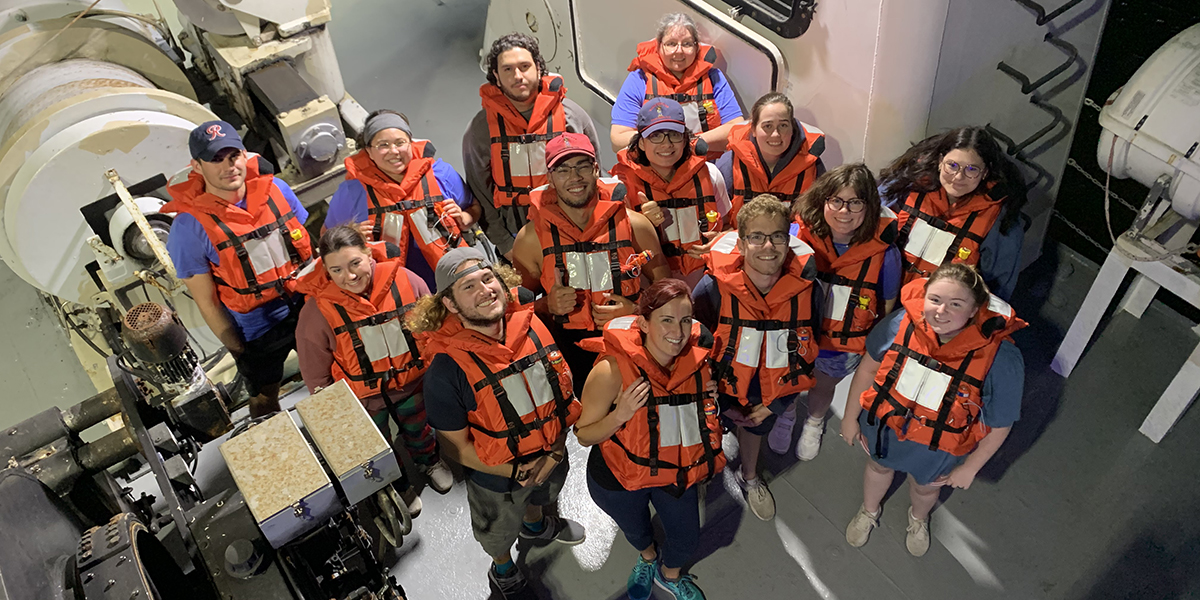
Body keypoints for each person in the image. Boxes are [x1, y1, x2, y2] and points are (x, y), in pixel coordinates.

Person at [412, 247, 585, 598]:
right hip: (498, 476)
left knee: (544, 493)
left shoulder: (533, 324)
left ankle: (535, 525)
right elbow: (455, 448)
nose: (485, 291)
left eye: (488, 279)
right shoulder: (445, 372)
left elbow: (559, 391)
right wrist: (516, 470)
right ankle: (503, 568)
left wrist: (553, 450)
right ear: (450, 304)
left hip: (552, 449)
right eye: (467, 287)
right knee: (498, 530)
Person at [841, 263, 1025, 557]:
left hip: (938, 449)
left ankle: (918, 519)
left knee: (925, 488)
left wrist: (970, 467)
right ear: (924, 296)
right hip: (885, 429)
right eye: (935, 300)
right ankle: (869, 510)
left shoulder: (1001, 359)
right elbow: (868, 368)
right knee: (877, 467)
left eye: (956, 304)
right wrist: (850, 418)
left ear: (975, 309)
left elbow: (1000, 423)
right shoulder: (900, 323)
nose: (941, 311)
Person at [575, 279, 725, 600]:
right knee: (638, 531)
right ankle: (647, 558)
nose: (678, 331)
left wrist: (708, 394)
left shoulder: (699, 362)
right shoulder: (611, 370)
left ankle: (669, 576)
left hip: (673, 471)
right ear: (643, 322)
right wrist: (620, 414)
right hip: (618, 476)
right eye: (666, 320)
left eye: (685, 320)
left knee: (686, 539)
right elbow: (584, 434)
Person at [163, 120, 313, 417]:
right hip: (258, 328)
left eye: (233, 156)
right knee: (263, 395)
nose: (228, 166)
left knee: (335, 368)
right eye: (216, 159)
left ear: (245, 156)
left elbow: (307, 246)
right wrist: (237, 349)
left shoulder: (278, 190)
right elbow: (206, 301)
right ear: (196, 166)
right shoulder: (189, 229)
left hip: (309, 302)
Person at [295, 225, 455, 499]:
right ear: (326, 270)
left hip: (412, 383)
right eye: (337, 270)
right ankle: (398, 483)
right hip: (363, 398)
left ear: (369, 253)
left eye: (355, 263)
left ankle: (428, 461)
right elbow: (314, 370)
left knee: (420, 428)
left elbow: (434, 327)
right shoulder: (316, 311)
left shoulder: (406, 280)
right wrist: (331, 410)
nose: (350, 275)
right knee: (378, 444)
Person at [692, 194, 819, 521]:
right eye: (757, 237)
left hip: (765, 393)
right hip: (714, 390)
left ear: (788, 241)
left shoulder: (809, 291)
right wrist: (714, 398)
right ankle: (701, 474)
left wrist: (773, 406)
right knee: (702, 435)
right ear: (741, 243)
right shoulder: (711, 289)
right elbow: (690, 352)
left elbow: (805, 353)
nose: (768, 246)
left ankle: (750, 477)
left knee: (754, 433)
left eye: (778, 236)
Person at [512, 132, 668, 395]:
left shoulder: (635, 225)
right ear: (549, 178)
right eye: (563, 169)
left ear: (596, 169)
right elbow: (518, 307)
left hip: (631, 339)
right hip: (568, 349)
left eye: (582, 166)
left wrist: (638, 308)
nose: (574, 177)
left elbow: (667, 289)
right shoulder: (530, 240)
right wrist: (547, 304)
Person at [767, 164, 901, 461]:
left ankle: (814, 422)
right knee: (789, 380)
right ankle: (786, 415)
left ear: (869, 206)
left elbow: (888, 305)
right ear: (823, 200)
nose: (845, 211)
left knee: (823, 387)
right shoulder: (797, 235)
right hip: (796, 335)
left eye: (855, 202)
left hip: (842, 344)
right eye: (836, 201)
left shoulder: (886, 253)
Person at [463, 32, 604, 260]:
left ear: (538, 68)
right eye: (508, 69)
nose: (517, 76)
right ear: (496, 76)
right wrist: (506, 244)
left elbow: (594, 176)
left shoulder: (571, 116)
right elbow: (481, 192)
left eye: (524, 66)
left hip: (574, 232)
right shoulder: (481, 130)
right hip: (515, 239)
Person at [325, 110, 482, 290]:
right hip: (395, 290)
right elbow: (328, 239)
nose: (394, 151)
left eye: (400, 143)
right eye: (383, 145)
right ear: (368, 151)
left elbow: (474, 207)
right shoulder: (352, 192)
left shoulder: (441, 174)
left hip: (453, 279)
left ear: (411, 143)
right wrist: (352, 234)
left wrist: (465, 218)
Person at [877, 126, 1027, 300]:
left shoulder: (1000, 222)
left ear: (985, 172)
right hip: (883, 296)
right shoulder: (904, 187)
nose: (958, 177)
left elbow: (997, 292)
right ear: (940, 161)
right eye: (952, 165)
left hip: (938, 314)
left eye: (971, 169)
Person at [611, 98, 731, 284]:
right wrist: (642, 224)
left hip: (705, 281)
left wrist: (719, 240)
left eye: (674, 134)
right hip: (651, 288)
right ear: (641, 143)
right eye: (656, 135)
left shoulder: (711, 174)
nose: (666, 144)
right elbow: (615, 249)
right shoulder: (620, 186)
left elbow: (730, 227)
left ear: (685, 139)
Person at [610, 13, 744, 156]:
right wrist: (662, 145)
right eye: (671, 44)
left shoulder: (713, 77)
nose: (679, 51)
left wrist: (689, 143)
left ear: (697, 47)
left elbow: (736, 128)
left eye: (687, 44)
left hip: (706, 168)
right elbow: (618, 139)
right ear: (659, 46)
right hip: (654, 169)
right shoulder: (639, 79)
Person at [716, 92, 826, 224]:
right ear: (753, 130)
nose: (775, 134)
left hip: (792, 241)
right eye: (767, 126)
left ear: (793, 128)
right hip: (740, 241)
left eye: (783, 125)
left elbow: (821, 219)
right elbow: (718, 220)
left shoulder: (813, 165)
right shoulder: (729, 163)